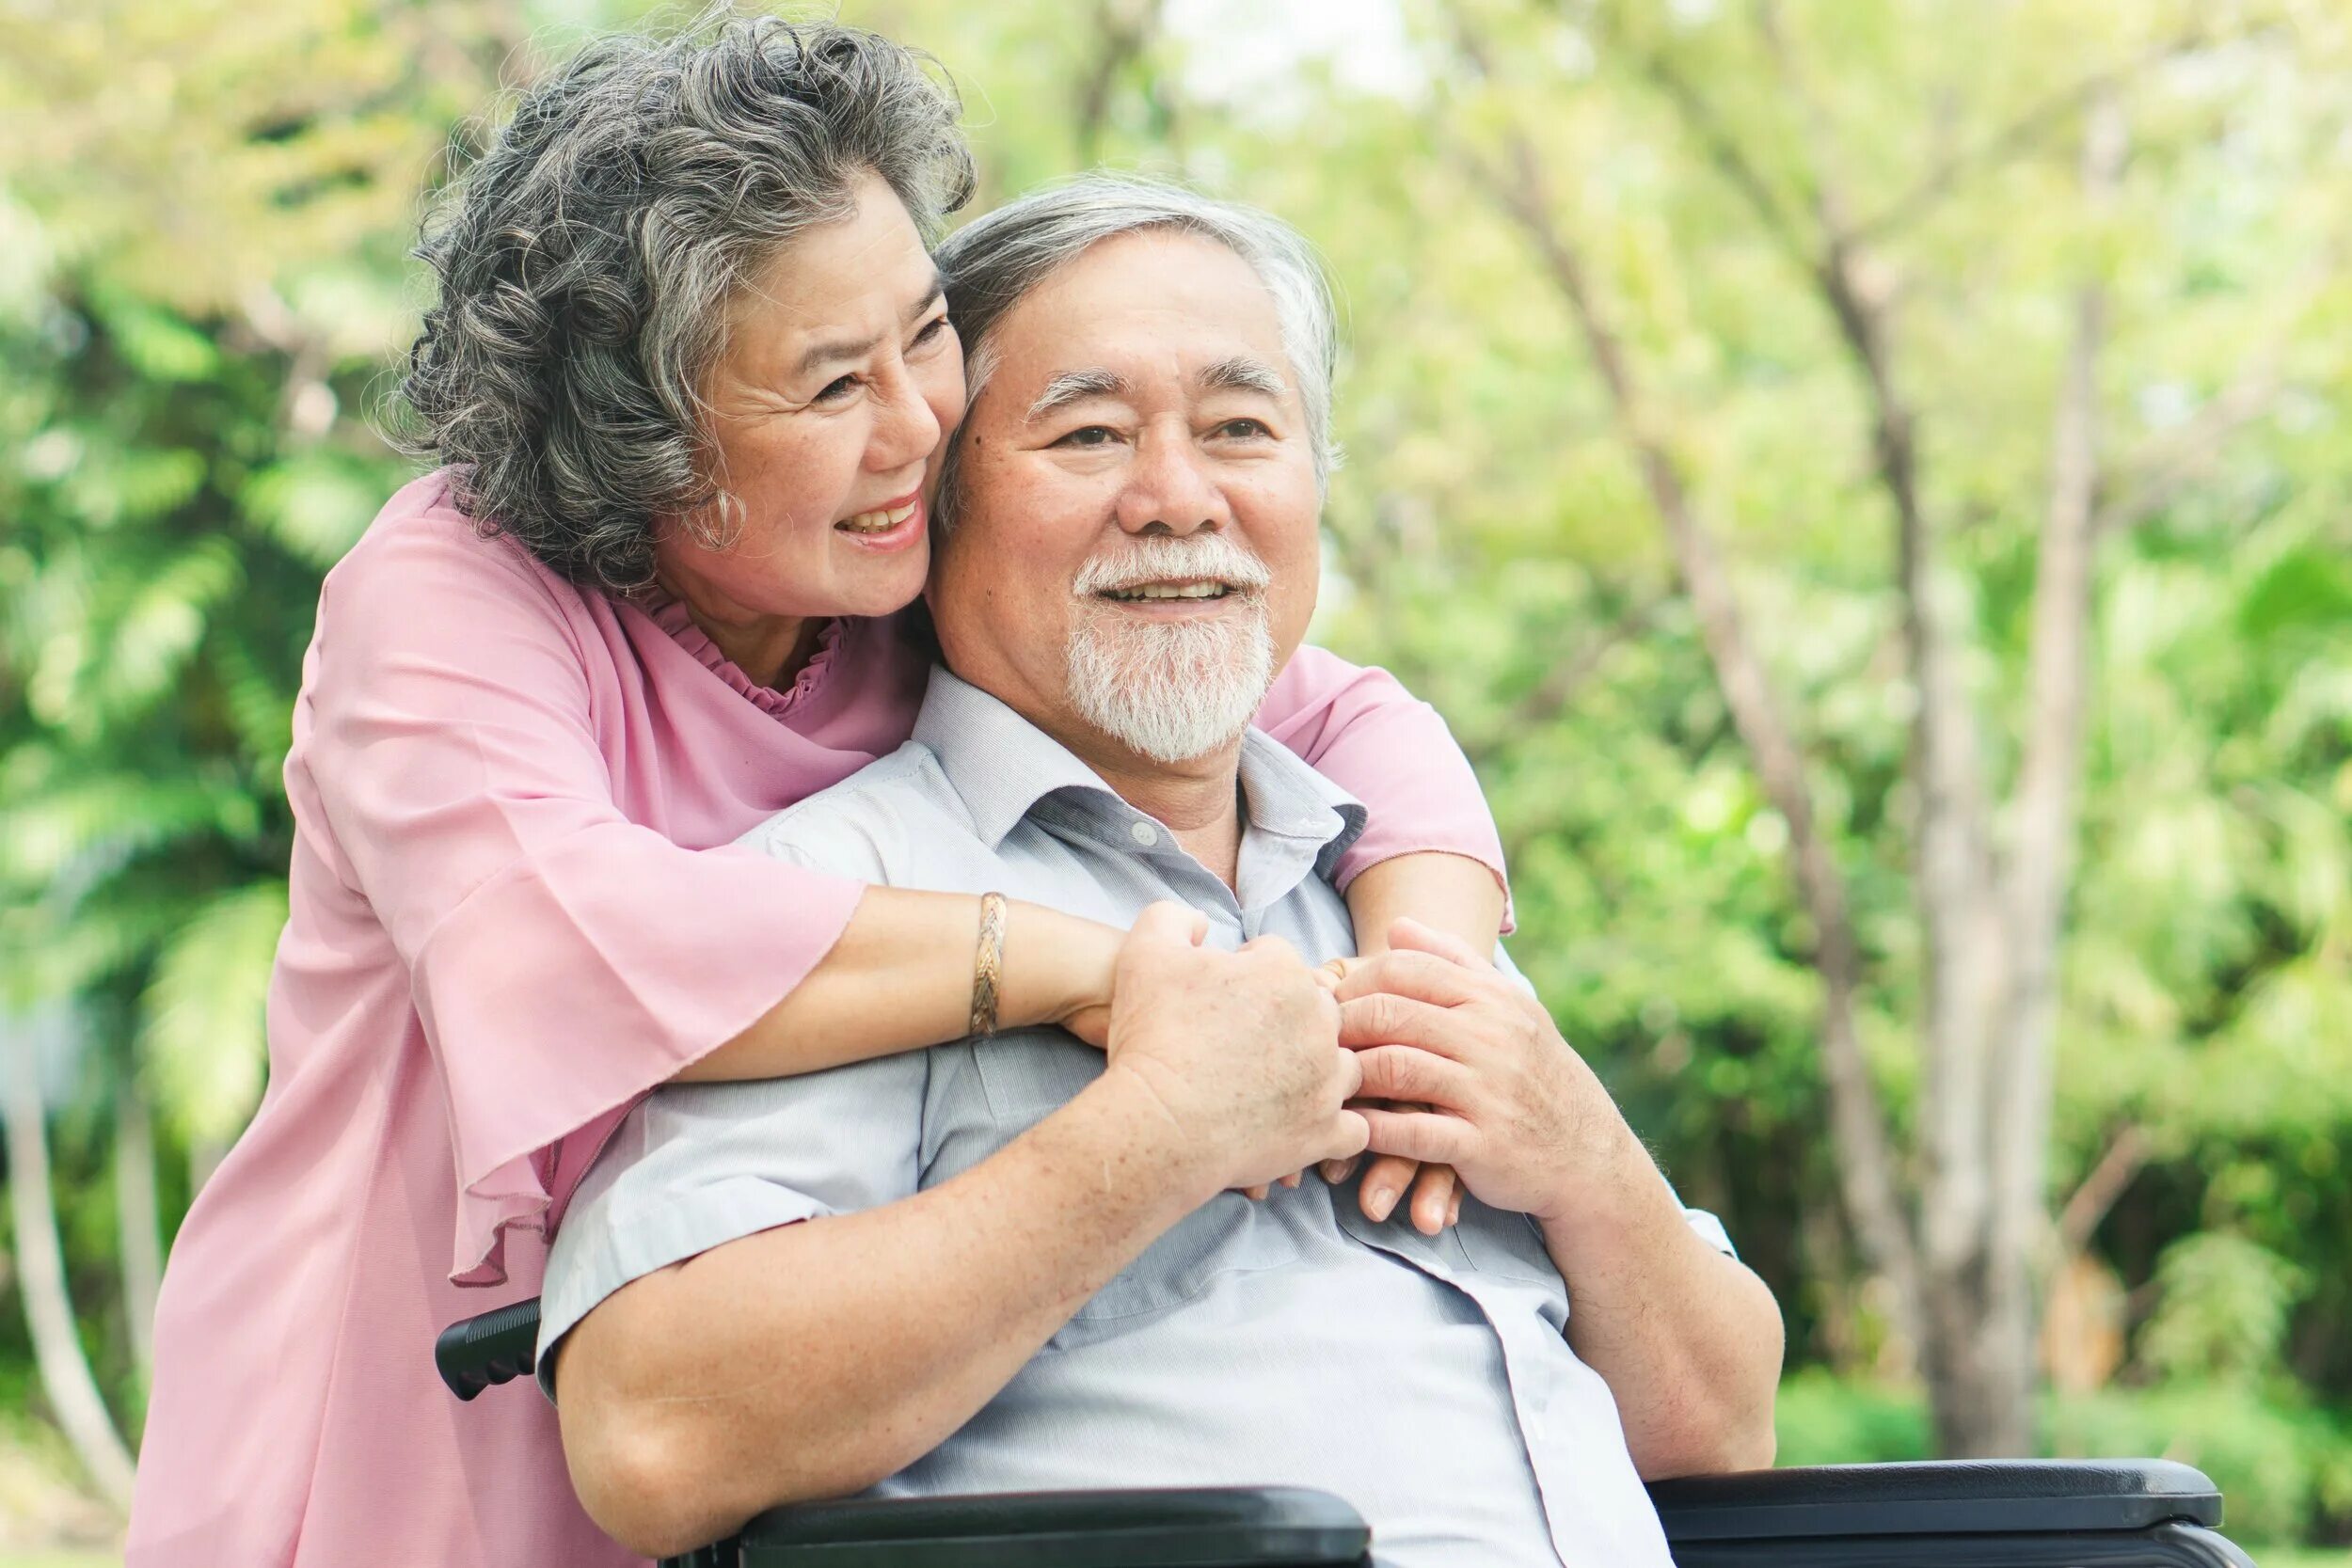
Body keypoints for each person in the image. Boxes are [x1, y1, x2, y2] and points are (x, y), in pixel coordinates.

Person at [126, 24, 1514, 1568]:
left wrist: (1428, 993)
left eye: (924, 332)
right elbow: (558, 945)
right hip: (413, 1397)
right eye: (829, 385)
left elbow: (1334, 706)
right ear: (648, 445)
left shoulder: (883, 567)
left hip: (751, 1372)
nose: (922, 425)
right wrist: (1108, 975)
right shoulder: (453, 595)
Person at [539, 177, 1784, 1568]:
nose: (1179, 498)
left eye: (1243, 430)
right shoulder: (845, 903)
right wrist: (1152, 1143)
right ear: (932, 508)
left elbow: (1719, 1433)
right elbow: (650, 1433)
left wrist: (1582, 1155)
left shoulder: (1384, 882)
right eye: (1090, 433)